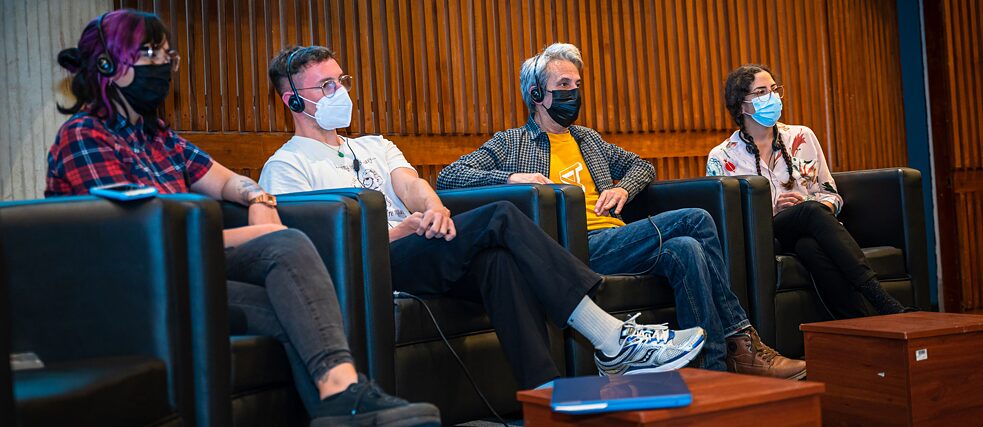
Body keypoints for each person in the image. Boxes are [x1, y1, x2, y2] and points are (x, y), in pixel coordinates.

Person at [45, 10, 440, 426]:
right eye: (151, 55)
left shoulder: (158, 138)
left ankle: (343, 405)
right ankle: (346, 400)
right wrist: (262, 235)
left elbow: (230, 182)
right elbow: (137, 239)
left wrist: (258, 197)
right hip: (131, 285)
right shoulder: (85, 136)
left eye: (167, 57)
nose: (163, 67)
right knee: (286, 245)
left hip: (184, 274)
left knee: (299, 304)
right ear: (109, 65)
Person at [259, 45, 707, 386]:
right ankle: (609, 337)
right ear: (292, 101)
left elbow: (412, 186)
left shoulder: (374, 145)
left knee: (499, 262)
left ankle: (545, 393)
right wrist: (397, 232)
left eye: (341, 81)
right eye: (325, 86)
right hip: (375, 261)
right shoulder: (286, 166)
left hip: (422, 245)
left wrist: (435, 210)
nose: (340, 92)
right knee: (499, 216)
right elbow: (311, 248)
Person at [436, 43, 806, 380]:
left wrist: (622, 188)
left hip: (616, 238)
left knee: (687, 249)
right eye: (563, 85)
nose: (573, 93)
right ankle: (741, 340)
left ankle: (710, 370)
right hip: (569, 248)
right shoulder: (512, 142)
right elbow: (449, 176)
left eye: (577, 85)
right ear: (536, 94)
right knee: (695, 219)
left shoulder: (588, 139)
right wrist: (513, 178)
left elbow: (642, 165)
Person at [706, 64, 908, 319]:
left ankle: (860, 323)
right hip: (765, 237)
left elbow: (831, 195)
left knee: (809, 245)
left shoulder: (802, 136)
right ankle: (881, 298)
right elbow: (728, 222)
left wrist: (808, 204)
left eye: (774, 89)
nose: (772, 97)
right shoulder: (722, 156)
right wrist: (774, 210)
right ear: (741, 106)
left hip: (809, 229)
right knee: (809, 212)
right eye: (761, 92)